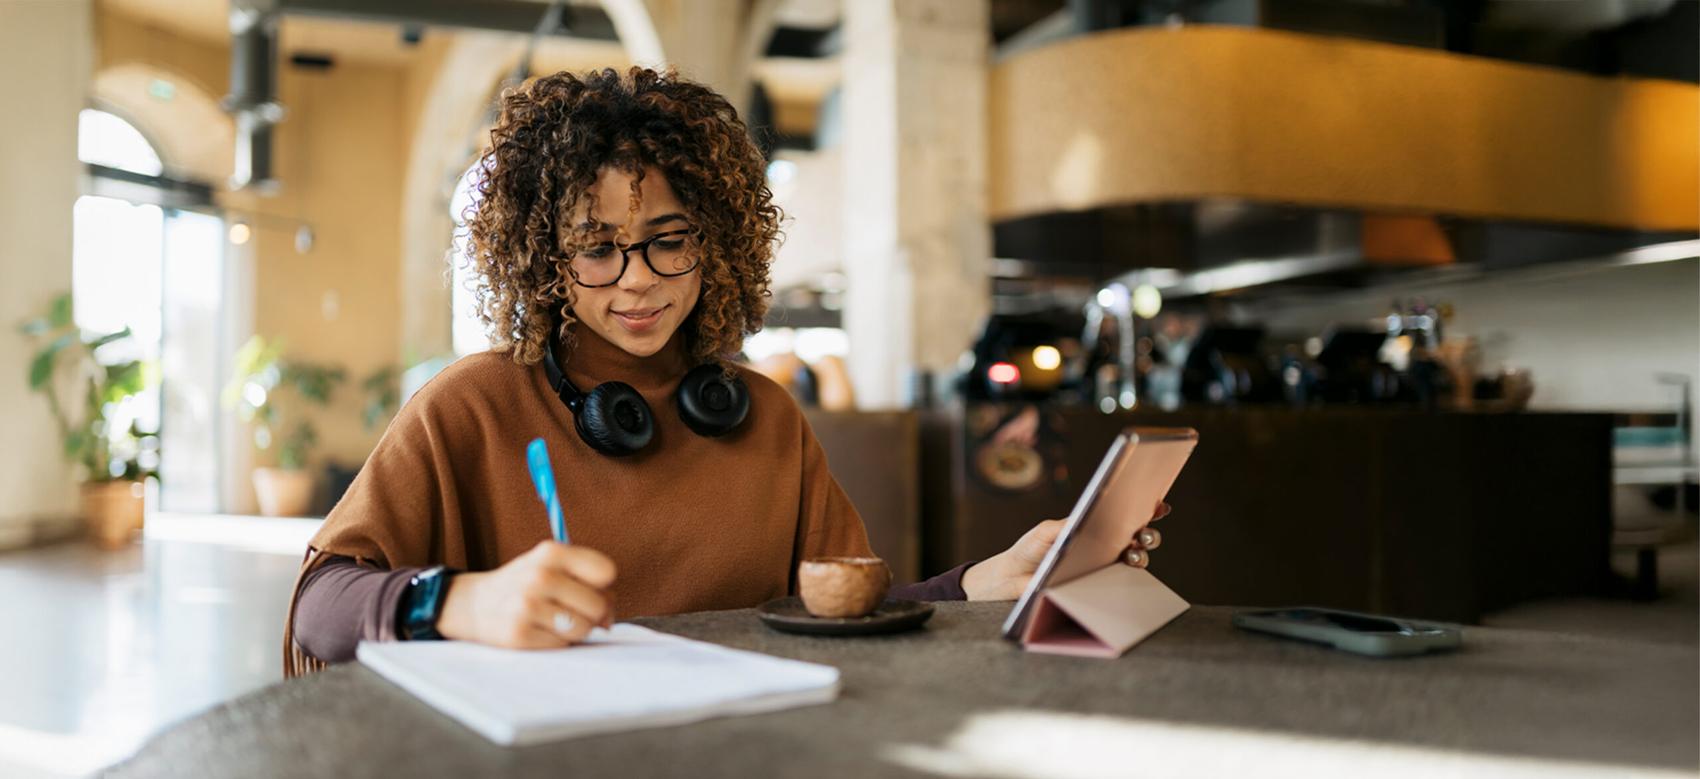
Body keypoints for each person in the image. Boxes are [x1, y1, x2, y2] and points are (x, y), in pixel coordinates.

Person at [283, 67, 1164, 676]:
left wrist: (980, 583)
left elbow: (842, 609)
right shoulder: (470, 405)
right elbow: (320, 603)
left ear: (718, 245)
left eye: (669, 240)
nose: (637, 278)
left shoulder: (767, 418)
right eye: (596, 248)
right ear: (543, 256)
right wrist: (458, 603)